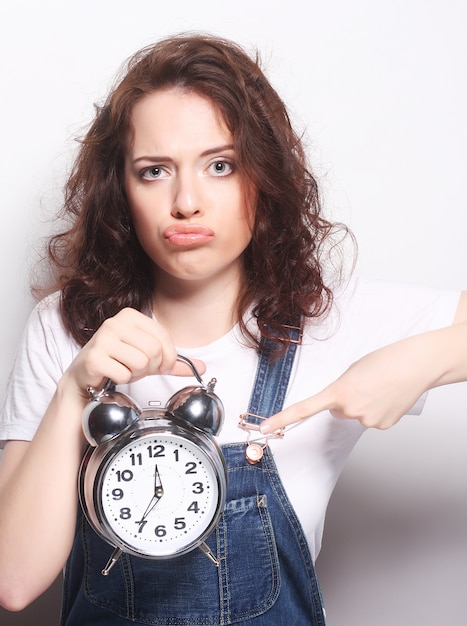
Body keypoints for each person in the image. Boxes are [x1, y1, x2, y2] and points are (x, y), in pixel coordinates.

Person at [0, 33, 465, 625]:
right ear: (121, 192)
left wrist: (423, 360)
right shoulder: (63, 327)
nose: (186, 201)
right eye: (154, 171)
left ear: (262, 181)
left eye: (220, 166)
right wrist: (74, 391)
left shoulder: (328, 321)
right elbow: (12, 582)